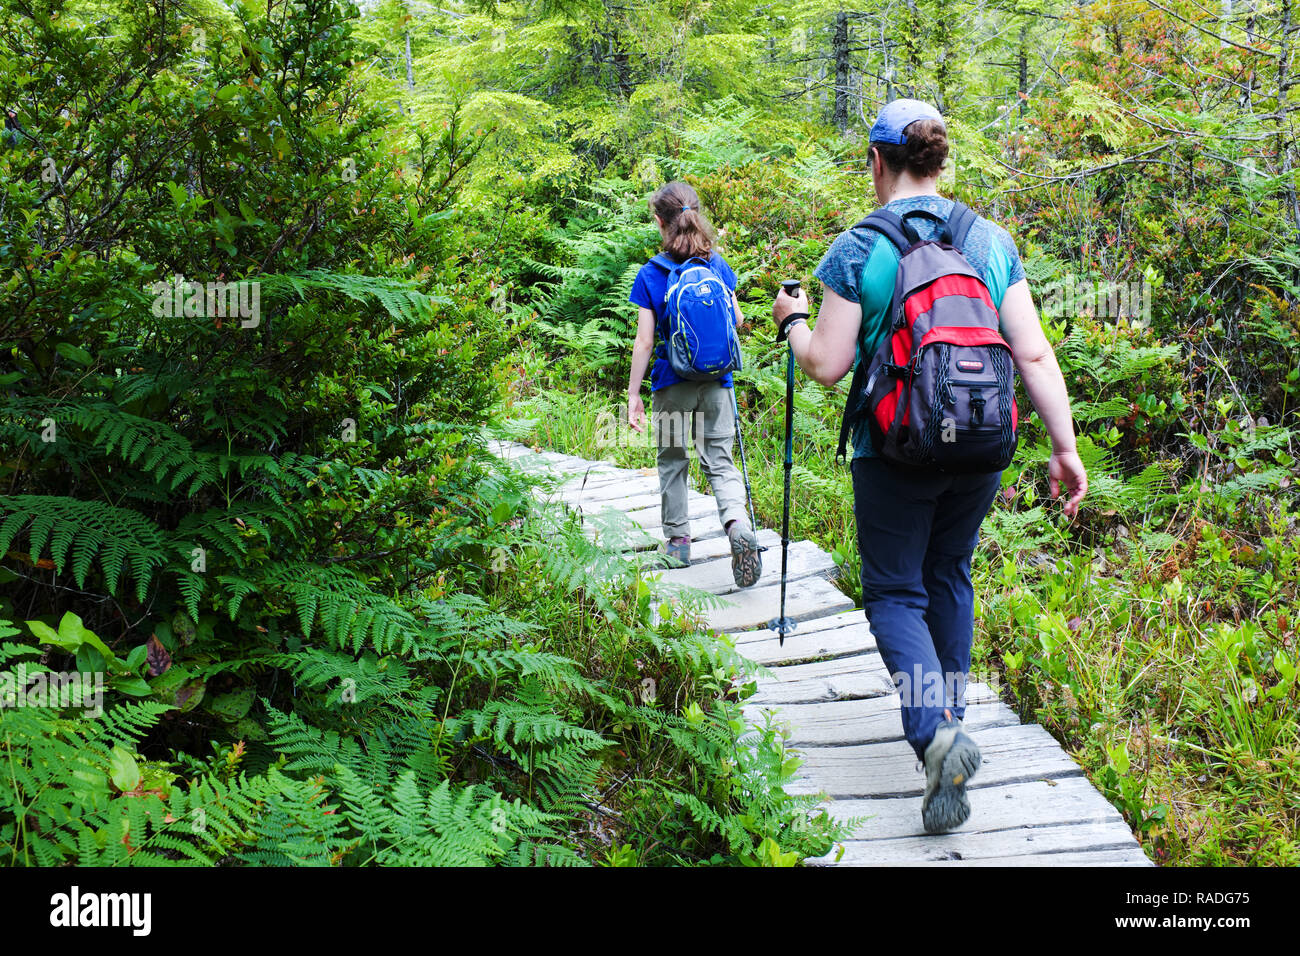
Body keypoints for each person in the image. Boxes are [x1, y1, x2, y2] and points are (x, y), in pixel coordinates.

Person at [772, 99, 1088, 833]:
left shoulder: (858, 249)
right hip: (981, 448)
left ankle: (935, 733)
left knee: (892, 592)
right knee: (949, 574)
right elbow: (1033, 353)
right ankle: (949, 714)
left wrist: (791, 321)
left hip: (892, 452)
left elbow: (826, 364)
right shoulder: (990, 241)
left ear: (876, 163)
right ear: (941, 161)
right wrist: (1064, 446)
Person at [626, 181, 761, 588]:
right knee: (719, 459)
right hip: (717, 381)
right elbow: (736, 321)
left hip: (670, 384)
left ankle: (679, 543)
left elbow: (645, 340)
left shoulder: (651, 274)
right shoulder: (715, 265)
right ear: (697, 216)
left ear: (659, 222)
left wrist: (633, 394)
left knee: (672, 460)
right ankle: (736, 524)